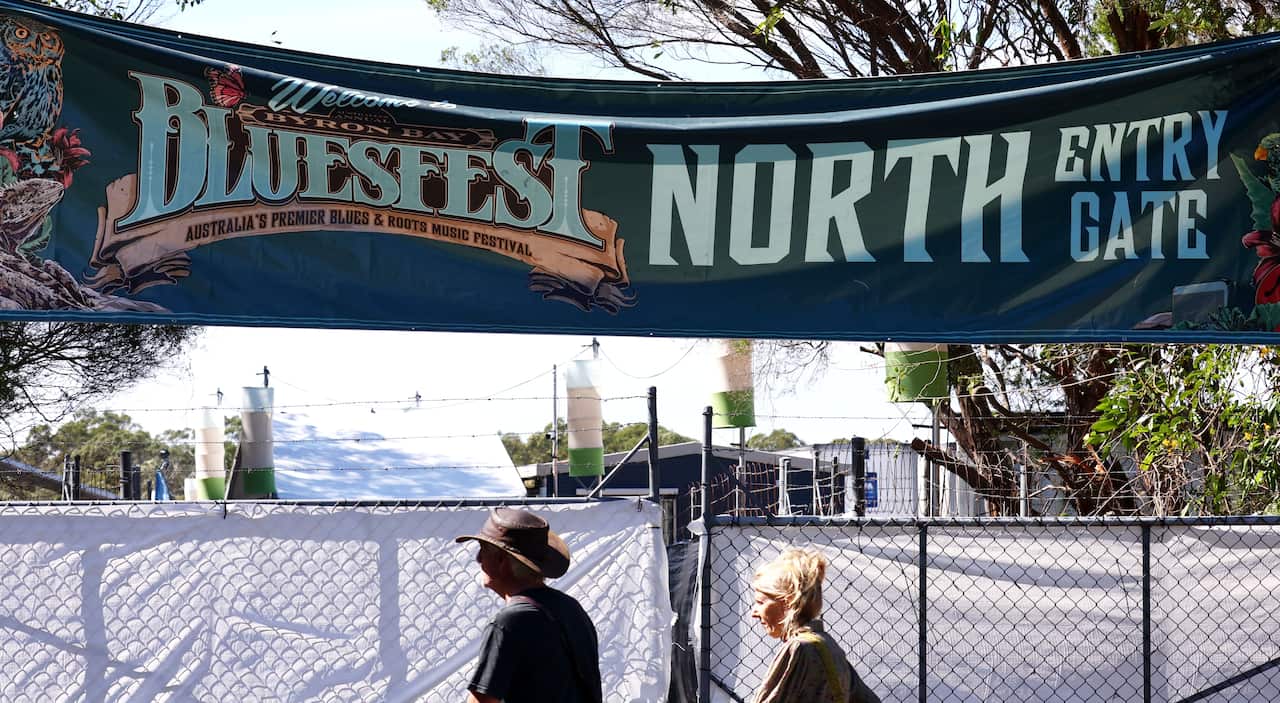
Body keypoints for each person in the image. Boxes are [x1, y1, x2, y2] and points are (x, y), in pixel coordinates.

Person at [456, 507, 602, 703]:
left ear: (501, 561)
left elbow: (482, 701)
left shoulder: (509, 622)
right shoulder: (570, 608)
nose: (478, 559)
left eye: (483, 550)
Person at [749, 548, 880, 703]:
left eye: (760, 602)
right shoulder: (827, 645)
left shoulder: (798, 648)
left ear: (788, 601)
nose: (754, 613)